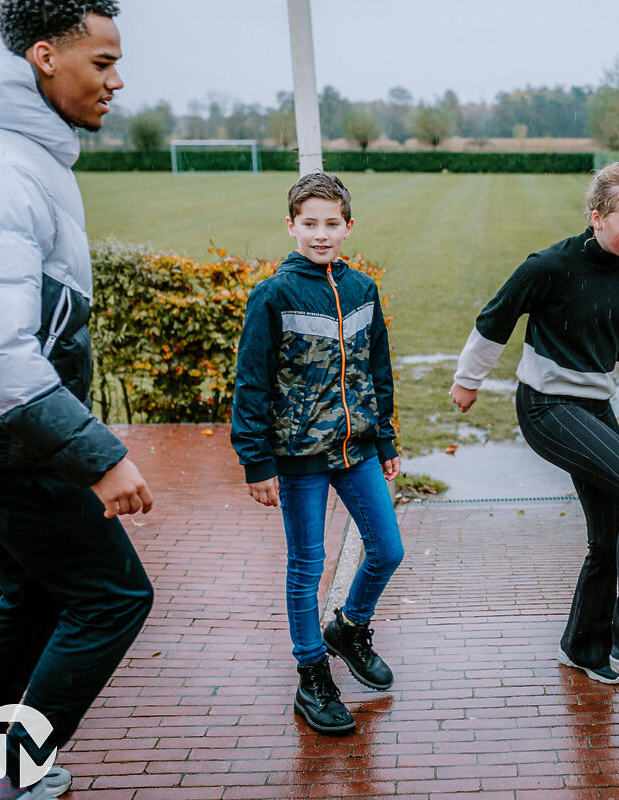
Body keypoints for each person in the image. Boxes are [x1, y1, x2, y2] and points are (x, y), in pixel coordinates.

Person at [0, 2, 156, 798]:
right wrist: (100, 456)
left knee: (30, 589)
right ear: (45, 56)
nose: (116, 80)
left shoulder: (15, 153)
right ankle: (5, 779)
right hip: (6, 442)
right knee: (113, 595)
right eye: (100, 63)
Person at [450, 161, 619, 685]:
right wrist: (468, 379)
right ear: (596, 216)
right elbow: (495, 319)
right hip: (546, 406)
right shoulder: (550, 266)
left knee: (611, 532)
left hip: (593, 407)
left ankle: (584, 647)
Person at [231, 171, 405, 736]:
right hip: (296, 456)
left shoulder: (362, 290)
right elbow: (251, 384)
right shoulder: (273, 295)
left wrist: (386, 441)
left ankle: (349, 628)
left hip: (356, 452)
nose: (321, 234)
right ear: (291, 227)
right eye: (310, 224)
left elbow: (377, 371)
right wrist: (256, 462)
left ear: (348, 227)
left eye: (332, 224)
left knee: (388, 549)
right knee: (306, 567)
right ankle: (312, 674)